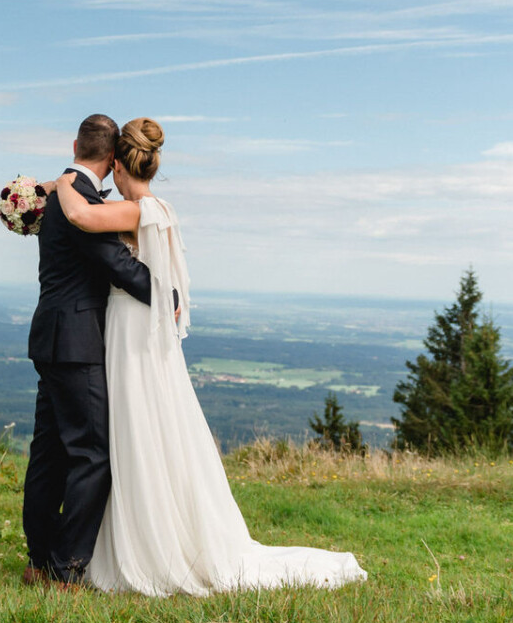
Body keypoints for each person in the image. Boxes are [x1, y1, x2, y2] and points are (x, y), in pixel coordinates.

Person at [51, 117, 367, 597]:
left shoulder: (144, 211)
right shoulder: (148, 207)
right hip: (133, 327)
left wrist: (61, 184)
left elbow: (81, 217)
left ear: (116, 164)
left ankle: (148, 546)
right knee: (139, 429)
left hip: (132, 331)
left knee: (137, 426)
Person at [22, 113, 153, 585]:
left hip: (50, 338)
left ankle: (39, 561)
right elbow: (115, 263)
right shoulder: (80, 198)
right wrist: (167, 296)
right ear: (115, 156)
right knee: (92, 454)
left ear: (75, 143)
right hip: (77, 346)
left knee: (50, 454)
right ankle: (66, 569)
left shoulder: (61, 190)